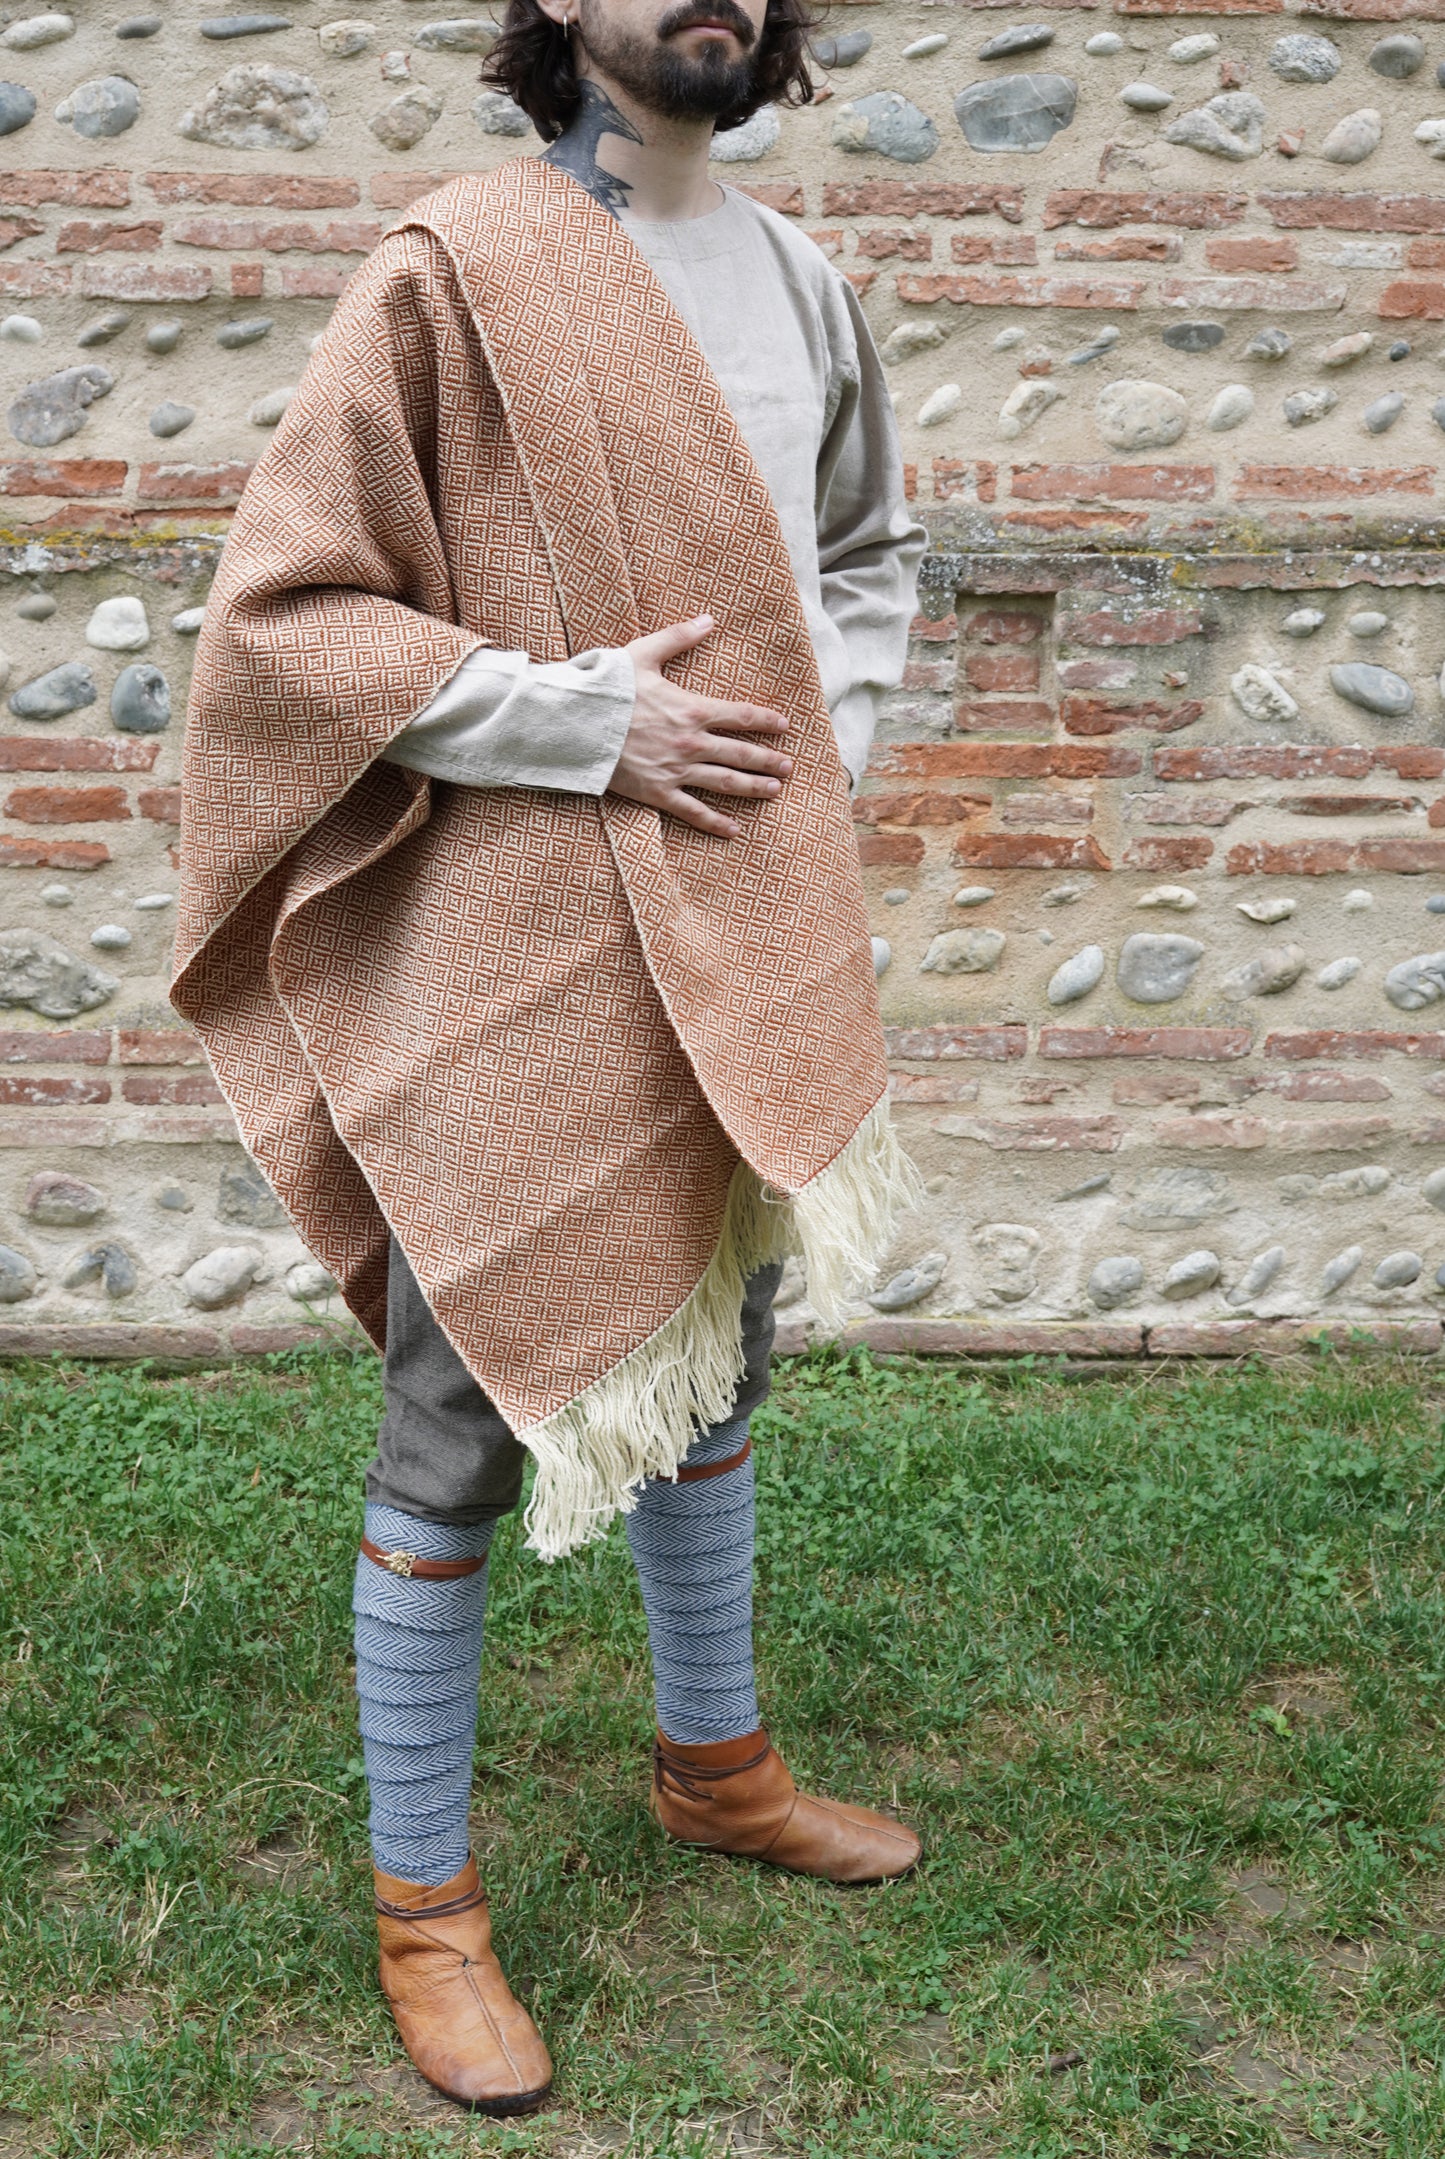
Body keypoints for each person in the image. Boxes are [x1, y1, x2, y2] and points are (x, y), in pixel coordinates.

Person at [173, 0, 928, 2117]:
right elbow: (287, 619)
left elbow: (869, 558)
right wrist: (583, 721)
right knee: (463, 1411)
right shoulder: (452, 268)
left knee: (718, 1352)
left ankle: (719, 1763)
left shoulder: (801, 280)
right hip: (514, 950)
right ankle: (427, 1907)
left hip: (746, 931)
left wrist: (823, 752)